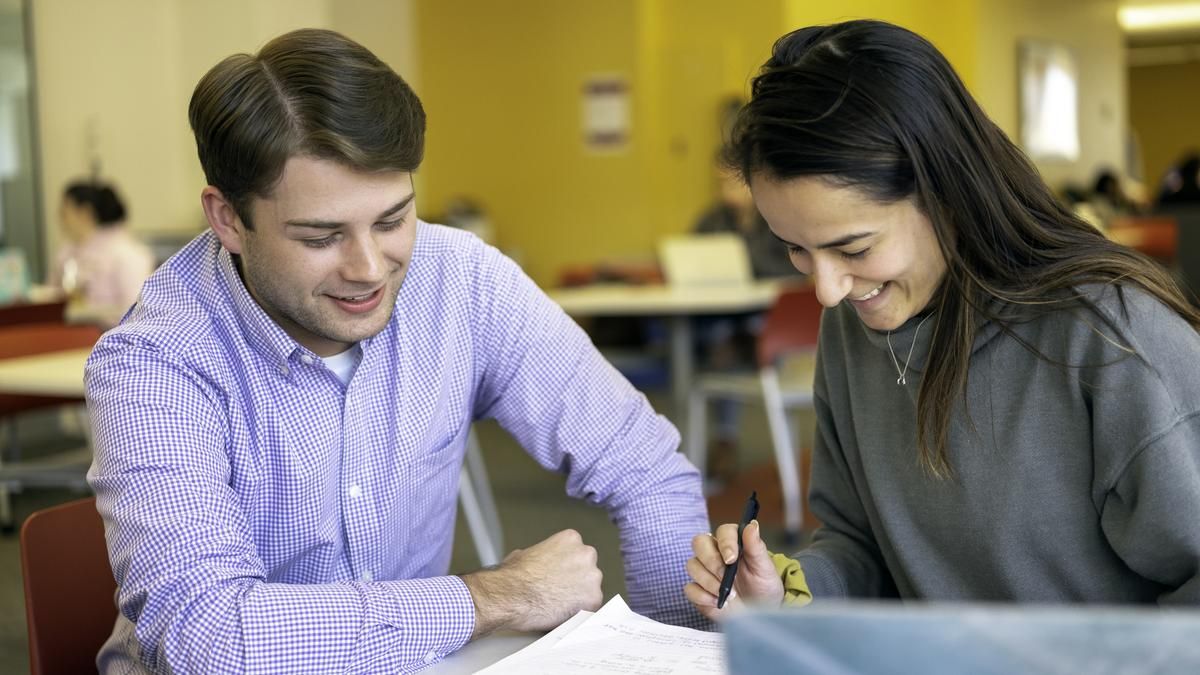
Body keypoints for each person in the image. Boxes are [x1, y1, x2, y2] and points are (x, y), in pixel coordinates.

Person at [85, 28, 709, 672]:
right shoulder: (155, 361)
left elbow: (647, 471)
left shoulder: (460, 279)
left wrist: (672, 648)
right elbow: (207, 638)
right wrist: (491, 596)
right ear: (227, 220)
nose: (369, 269)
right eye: (321, 236)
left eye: (391, 221)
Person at [685, 19, 1200, 619]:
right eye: (796, 249)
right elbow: (863, 545)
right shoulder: (857, 318)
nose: (827, 291)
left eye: (854, 248)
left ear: (949, 196)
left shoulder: (1114, 338)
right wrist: (785, 592)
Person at [49, 180, 154, 326]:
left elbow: (138, 311)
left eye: (64, 211)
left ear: (85, 212)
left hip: (112, 336)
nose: (59, 218)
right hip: (70, 332)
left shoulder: (126, 254)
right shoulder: (66, 252)